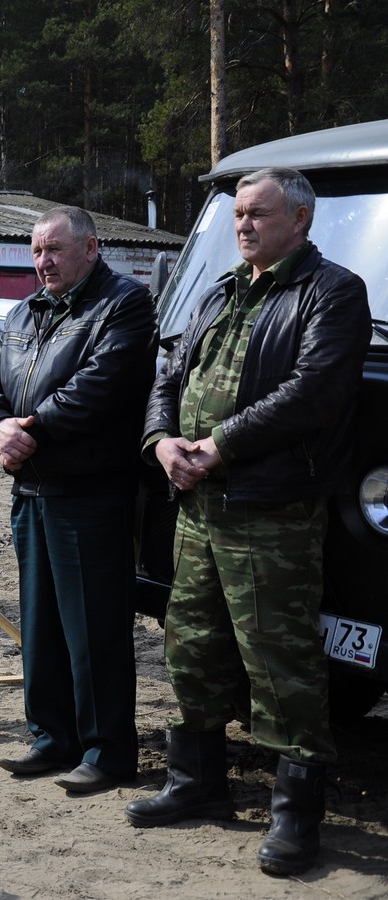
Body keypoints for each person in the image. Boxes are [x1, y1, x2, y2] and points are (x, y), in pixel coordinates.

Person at [125, 167, 370, 876]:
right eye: (236, 214)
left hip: (270, 510)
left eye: (257, 214)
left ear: (299, 219)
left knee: (280, 663)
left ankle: (296, 816)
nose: (242, 226)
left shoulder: (333, 292)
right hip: (197, 509)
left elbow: (313, 393)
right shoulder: (219, 289)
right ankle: (196, 782)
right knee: (192, 645)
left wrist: (218, 446)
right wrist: (160, 441)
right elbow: (167, 374)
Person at [0, 206, 156, 794]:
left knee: (93, 628)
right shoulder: (26, 311)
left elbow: (102, 384)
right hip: (32, 491)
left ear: (91, 248)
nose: (42, 261)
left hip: (89, 494)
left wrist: (29, 431)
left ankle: (106, 752)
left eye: (54, 249)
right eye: (35, 251)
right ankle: (51, 737)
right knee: (42, 624)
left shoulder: (123, 304)